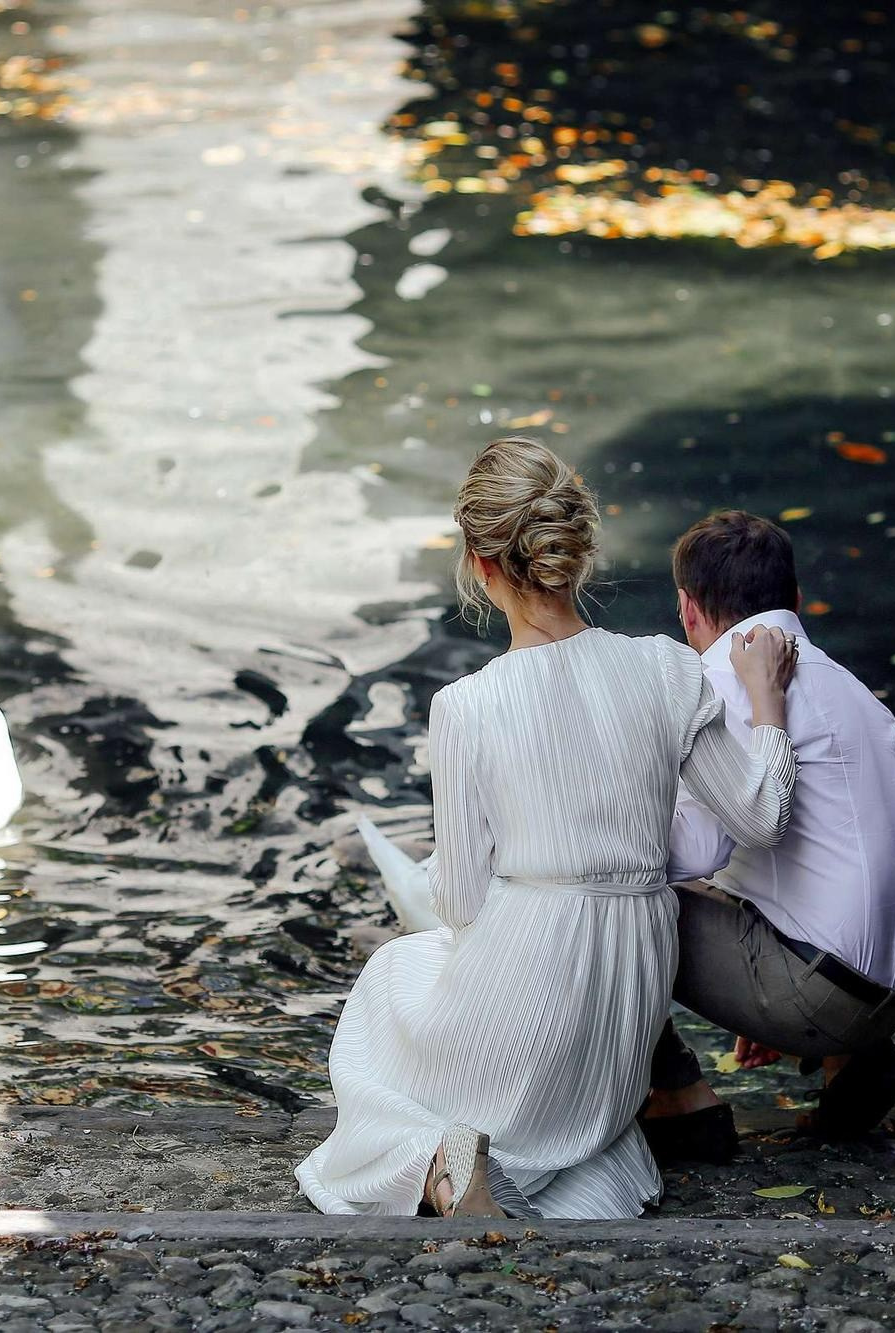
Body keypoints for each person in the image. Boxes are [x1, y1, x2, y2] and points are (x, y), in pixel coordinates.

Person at [296, 439, 800, 1219]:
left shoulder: (468, 704)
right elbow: (762, 817)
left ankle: (435, 1155)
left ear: (478, 559)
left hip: (536, 963)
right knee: (583, 1160)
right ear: (581, 547)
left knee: (390, 979)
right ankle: (534, 1147)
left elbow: (461, 901)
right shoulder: (666, 668)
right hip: (632, 973)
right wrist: (766, 705)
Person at [642, 510, 895, 1161]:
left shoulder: (716, 685)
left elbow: (693, 853)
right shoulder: (849, 685)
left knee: (622, 888)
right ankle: (850, 1058)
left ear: (687, 609)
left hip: (825, 990)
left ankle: (675, 1090)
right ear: (797, 601)